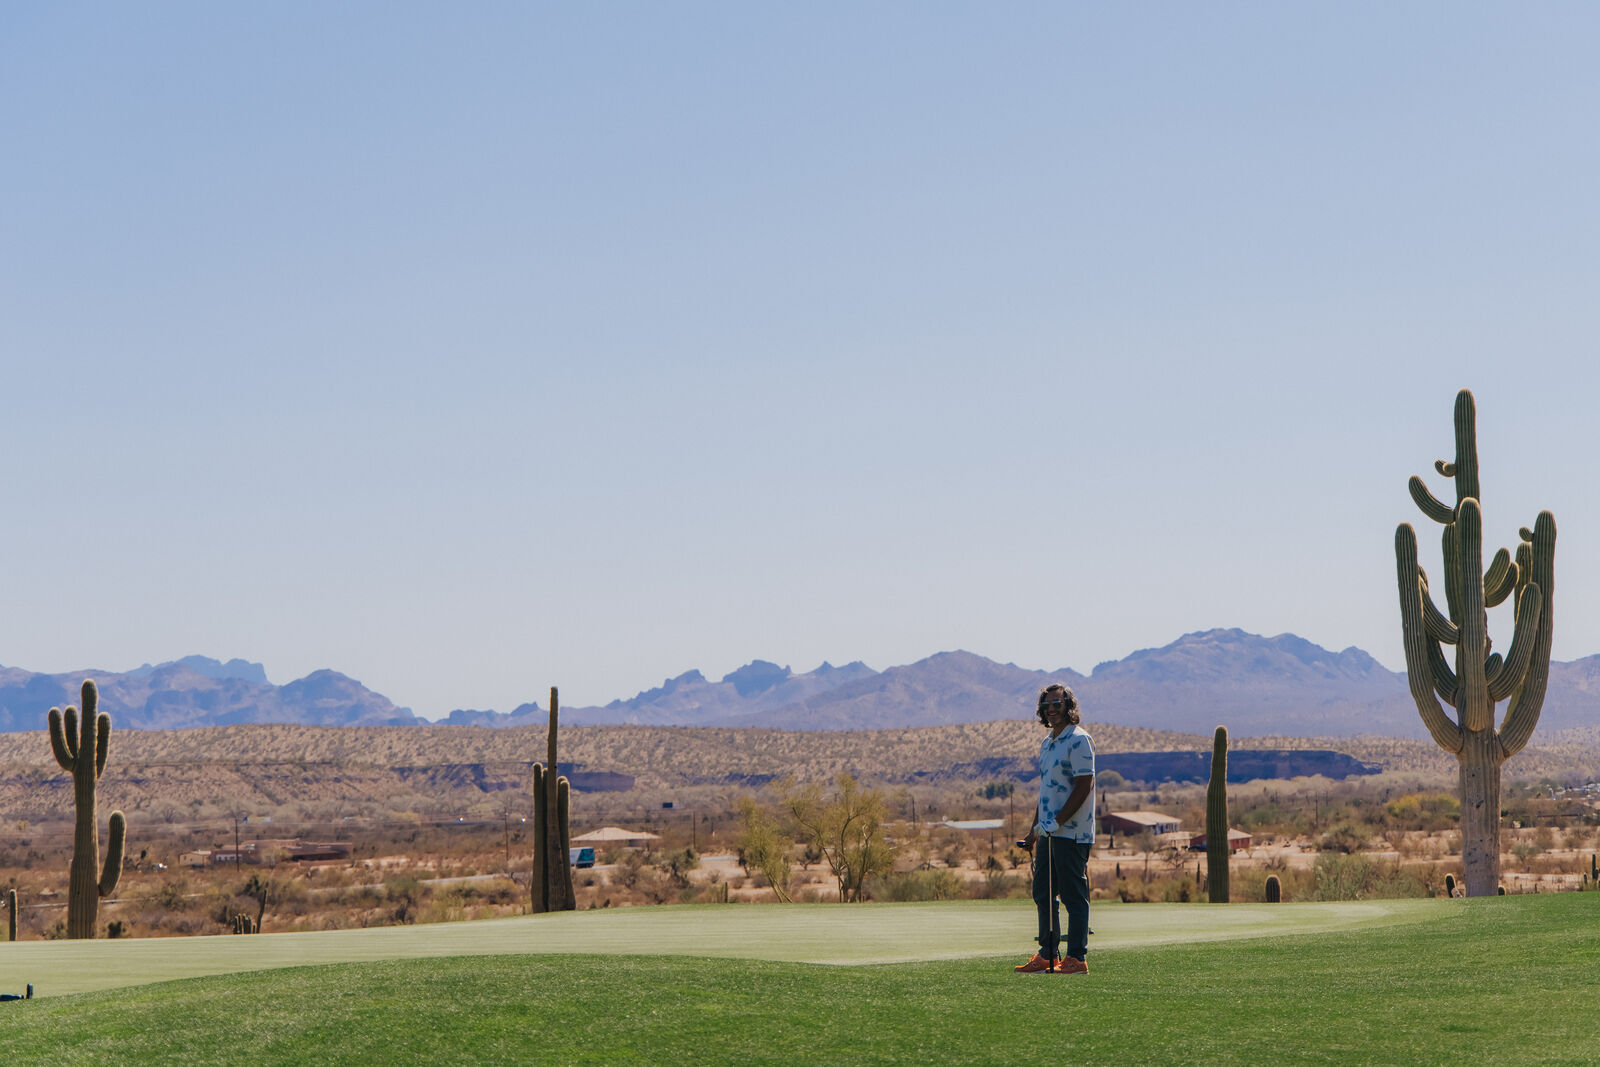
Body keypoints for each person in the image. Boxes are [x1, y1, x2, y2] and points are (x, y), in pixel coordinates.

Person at [1014, 683, 1094, 975]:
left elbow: (1084, 785)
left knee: (1073, 895)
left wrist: (1058, 821)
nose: (1051, 710)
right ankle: (1048, 955)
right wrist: (1035, 830)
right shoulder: (1048, 743)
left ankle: (1076, 958)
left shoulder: (1079, 740)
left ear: (1068, 706)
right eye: (1046, 705)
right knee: (1043, 893)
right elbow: (1045, 792)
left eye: (1057, 704)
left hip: (1072, 832)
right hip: (1048, 832)